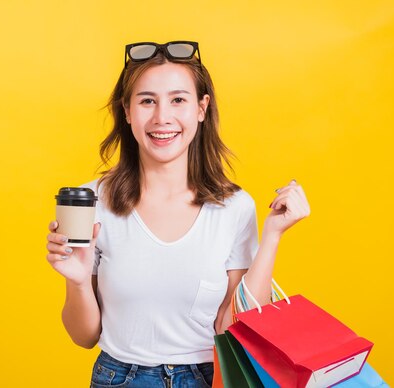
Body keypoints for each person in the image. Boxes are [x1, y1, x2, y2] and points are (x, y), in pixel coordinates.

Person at [45, 41, 310, 387]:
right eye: (147, 101)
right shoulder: (94, 201)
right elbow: (84, 336)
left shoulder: (234, 206)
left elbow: (232, 328)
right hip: (119, 377)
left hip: (206, 376)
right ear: (127, 111)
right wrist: (78, 281)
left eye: (178, 100)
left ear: (202, 108)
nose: (161, 117)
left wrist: (272, 235)